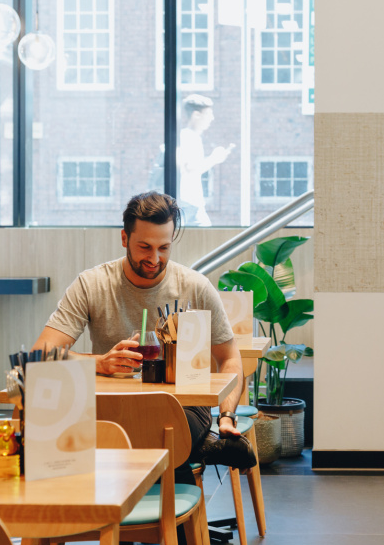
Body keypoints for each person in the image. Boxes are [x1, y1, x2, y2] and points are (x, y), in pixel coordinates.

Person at [32, 191, 247, 484]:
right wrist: (100, 363)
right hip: (112, 407)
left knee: (159, 427)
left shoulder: (195, 287)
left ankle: (174, 463)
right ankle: (198, 449)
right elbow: (41, 354)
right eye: (144, 247)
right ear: (124, 238)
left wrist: (226, 416)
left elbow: (230, 358)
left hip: (182, 408)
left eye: (164, 248)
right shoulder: (92, 285)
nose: (154, 259)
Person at [177, 94, 235, 226]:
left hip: (190, 204)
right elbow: (191, 169)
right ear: (196, 115)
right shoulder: (189, 137)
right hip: (188, 204)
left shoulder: (190, 137)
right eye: (208, 114)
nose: (212, 118)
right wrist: (214, 158)